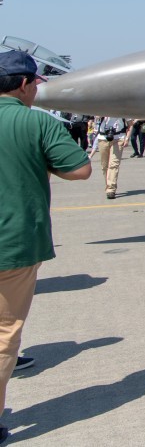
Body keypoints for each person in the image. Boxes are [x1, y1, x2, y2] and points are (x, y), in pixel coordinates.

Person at [0, 51, 92, 443]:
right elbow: (80, 169)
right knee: (4, 334)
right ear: (23, 84)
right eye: (36, 82)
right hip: (13, 245)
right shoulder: (37, 122)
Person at [92, 115, 128, 199]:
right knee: (104, 166)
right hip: (103, 138)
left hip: (118, 138)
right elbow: (96, 117)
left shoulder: (122, 109)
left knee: (114, 164)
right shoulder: (102, 108)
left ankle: (111, 189)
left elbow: (130, 124)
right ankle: (109, 184)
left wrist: (127, 138)